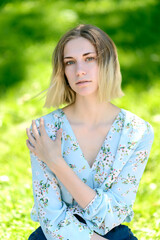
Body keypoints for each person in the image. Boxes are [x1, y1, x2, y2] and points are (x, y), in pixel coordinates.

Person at [26, 24, 154, 240]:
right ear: (62, 71)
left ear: (108, 62)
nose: (80, 71)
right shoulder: (44, 130)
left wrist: (57, 163)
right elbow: (51, 219)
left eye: (89, 58)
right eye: (70, 62)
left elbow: (112, 215)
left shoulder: (137, 132)